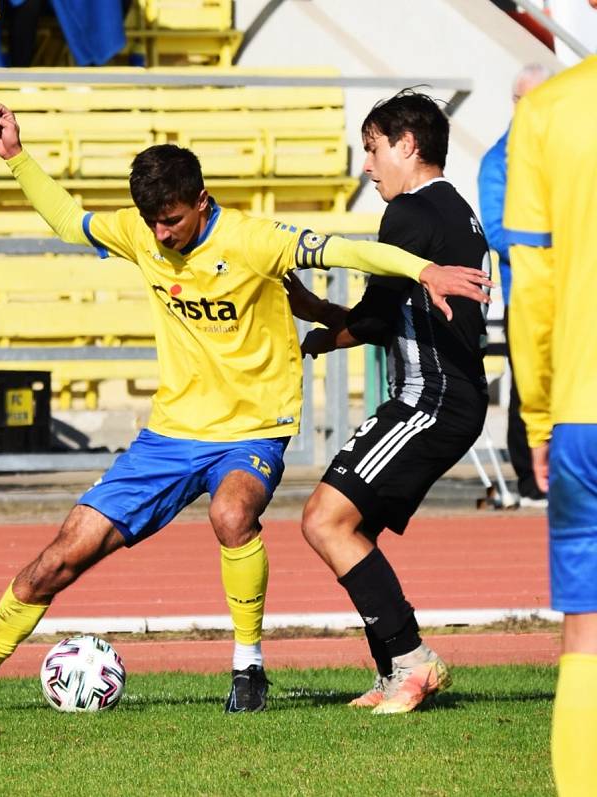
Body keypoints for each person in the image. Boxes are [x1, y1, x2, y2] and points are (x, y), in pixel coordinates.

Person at [0, 102, 490, 715]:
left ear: (201, 200)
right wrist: (17, 159)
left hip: (253, 432)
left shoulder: (253, 240)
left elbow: (349, 252)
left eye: (173, 221)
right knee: (58, 558)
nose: (162, 234)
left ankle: (249, 670)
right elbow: (68, 221)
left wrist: (423, 271)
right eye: (152, 222)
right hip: (169, 435)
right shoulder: (141, 234)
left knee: (235, 514)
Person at [287, 90, 490, 714]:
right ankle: (393, 671)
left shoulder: (407, 214)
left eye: (373, 149)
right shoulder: (457, 209)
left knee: (324, 520)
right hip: (445, 397)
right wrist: (328, 322)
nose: (367, 166)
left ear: (407, 146)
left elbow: (375, 319)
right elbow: (388, 314)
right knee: (352, 528)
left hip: (431, 398)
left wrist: (319, 329)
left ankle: (411, 661)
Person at [504, 38, 597, 796]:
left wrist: (537, 414)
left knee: (586, 633)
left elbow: (530, 287)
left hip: (582, 413)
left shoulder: (546, 111)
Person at [478, 63, 551, 508]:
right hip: (528, 293)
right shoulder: (497, 161)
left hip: (575, 292)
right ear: (517, 103)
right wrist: (559, 240)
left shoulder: (567, 151)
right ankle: (530, 482)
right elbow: (497, 233)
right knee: (529, 385)